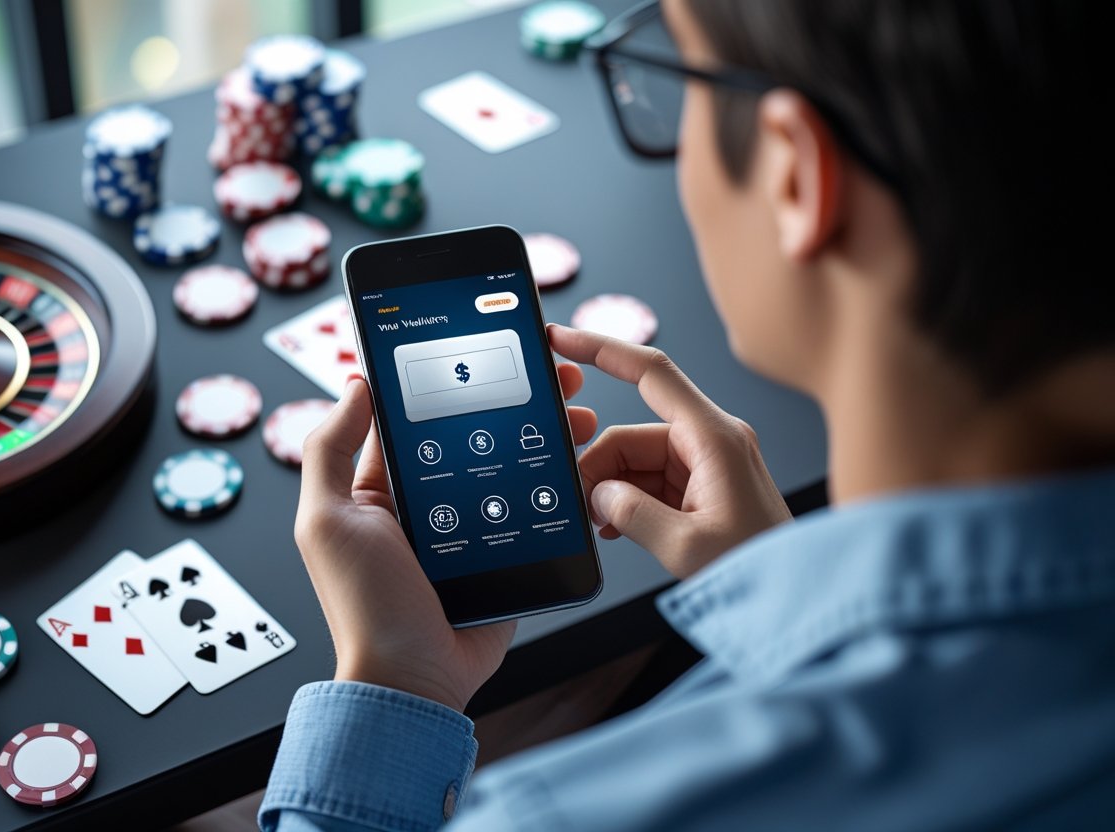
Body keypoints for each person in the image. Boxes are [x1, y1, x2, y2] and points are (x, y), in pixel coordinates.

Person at [261, 0, 1113, 828]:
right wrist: (781, 587)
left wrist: (395, 684)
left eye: (680, 81)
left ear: (794, 175)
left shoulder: (561, 814)